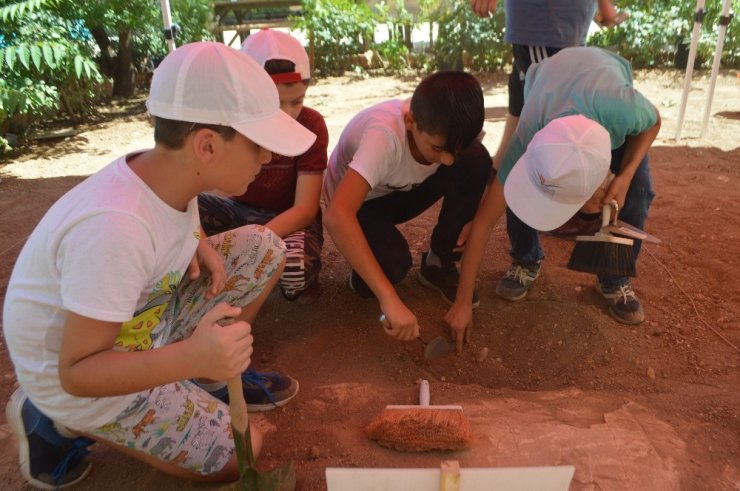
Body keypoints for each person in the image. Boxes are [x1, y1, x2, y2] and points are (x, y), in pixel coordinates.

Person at [2, 42, 316, 488]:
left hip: (137, 329)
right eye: (259, 146)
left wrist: (197, 241)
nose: (267, 158)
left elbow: (172, 216)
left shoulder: (169, 173)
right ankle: (52, 420)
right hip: (80, 375)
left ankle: (203, 376)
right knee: (239, 453)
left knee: (263, 248)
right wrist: (189, 355)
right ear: (207, 144)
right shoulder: (115, 227)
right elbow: (77, 371)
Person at [445, 47, 660, 342]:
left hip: (602, 78)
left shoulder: (623, 111)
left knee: (639, 191)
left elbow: (654, 122)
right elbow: (483, 223)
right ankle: (526, 258)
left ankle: (613, 278)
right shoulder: (529, 136)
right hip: (547, 80)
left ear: (601, 176)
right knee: (522, 187)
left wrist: (624, 177)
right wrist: (462, 303)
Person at [323, 71, 493, 342]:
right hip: (362, 203)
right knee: (393, 265)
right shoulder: (384, 136)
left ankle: (439, 262)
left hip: (401, 190)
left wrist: (470, 216)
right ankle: (363, 279)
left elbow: (465, 162)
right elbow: (337, 215)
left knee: (476, 160)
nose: (447, 160)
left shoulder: (453, 130)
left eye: (453, 150)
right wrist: (389, 299)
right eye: (437, 149)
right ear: (410, 122)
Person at [469, 0, 628, 237]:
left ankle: (485, 208)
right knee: (536, 141)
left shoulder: (623, 106)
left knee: (533, 127)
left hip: (568, 25)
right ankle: (523, 248)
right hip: (545, 28)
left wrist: (604, 5)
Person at [199, 29, 329, 305]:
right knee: (187, 212)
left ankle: (262, 273)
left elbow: (305, 209)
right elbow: (193, 186)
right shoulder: (231, 126)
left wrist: (251, 246)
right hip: (240, 212)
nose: (288, 114)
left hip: (291, 220)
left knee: (295, 270)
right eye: (275, 103)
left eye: (297, 101)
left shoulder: (311, 125)